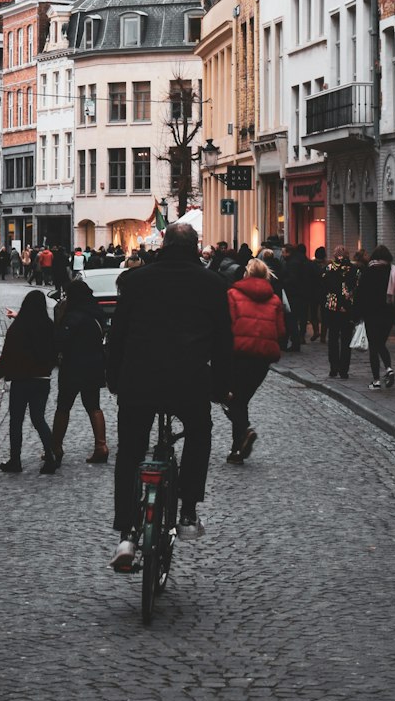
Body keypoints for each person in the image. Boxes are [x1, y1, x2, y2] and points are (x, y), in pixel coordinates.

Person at [106, 221, 233, 569]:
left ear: (163, 244)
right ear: (195, 247)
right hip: (189, 381)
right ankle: (188, 510)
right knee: (198, 432)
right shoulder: (213, 284)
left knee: (130, 451)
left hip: (138, 380)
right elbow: (224, 342)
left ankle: (127, 534)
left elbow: (118, 336)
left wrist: (114, 379)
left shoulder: (134, 281)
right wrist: (222, 387)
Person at [224, 258, 286, 462]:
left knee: (233, 399)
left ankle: (244, 432)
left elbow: (227, 325)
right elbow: (280, 331)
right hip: (262, 358)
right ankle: (237, 450)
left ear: (246, 273)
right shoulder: (275, 299)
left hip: (239, 354)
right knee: (241, 399)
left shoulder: (233, 294)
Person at [0, 290, 60, 474]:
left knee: (16, 420)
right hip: (42, 379)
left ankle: (15, 460)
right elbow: (55, 352)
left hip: (21, 380)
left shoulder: (18, 328)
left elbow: (8, 355)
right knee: (39, 419)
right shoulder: (48, 326)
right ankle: (50, 456)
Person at [51, 279, 108, 464]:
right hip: (94, 364)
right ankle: (101, 446)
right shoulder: (96, 312)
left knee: (63, 406)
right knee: (94, 406)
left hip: (73, 366)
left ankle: (56, 447)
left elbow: (60, 340)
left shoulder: (73, 316)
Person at [358, 245, 395, 390]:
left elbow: (361, 293)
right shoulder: (392, 272)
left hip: (371, 314)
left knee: (374, 347)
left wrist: (357, 314)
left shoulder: (368, 271)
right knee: (381, 343)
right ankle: (388, 368)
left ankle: (376, 380)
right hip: (387, 314)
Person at [322, 247, 358, 379]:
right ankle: (344, 369)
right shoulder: (354, 269)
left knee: (333, 338)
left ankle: (333, 367)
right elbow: (356, 287)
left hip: (333, 306)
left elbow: (324, 286)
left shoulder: (329, 269)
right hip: (347, 307)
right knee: (346, 339)